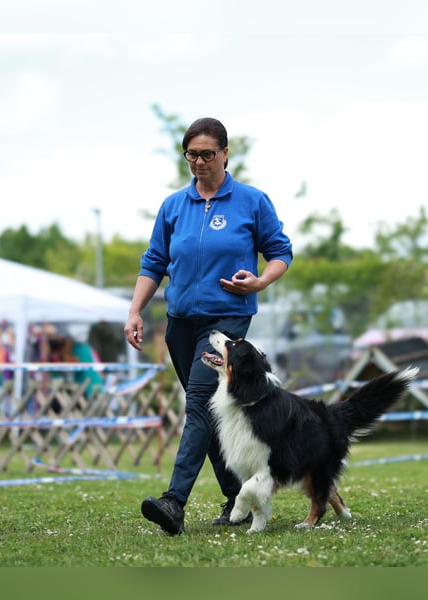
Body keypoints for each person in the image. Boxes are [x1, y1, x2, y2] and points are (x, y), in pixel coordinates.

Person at [124, 117, 293, 535]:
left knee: (199, 403)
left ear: (225, 153)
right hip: (180, 324)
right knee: (213, 414)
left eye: (207, 154)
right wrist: (135, 311)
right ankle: (237, 498)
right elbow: (154, 263)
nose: (199, 162)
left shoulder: (251, 201)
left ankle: (173, 501)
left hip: (227, 319)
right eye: (191, 155)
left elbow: (280, 251)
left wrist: (261, 280)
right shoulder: (173, 206)